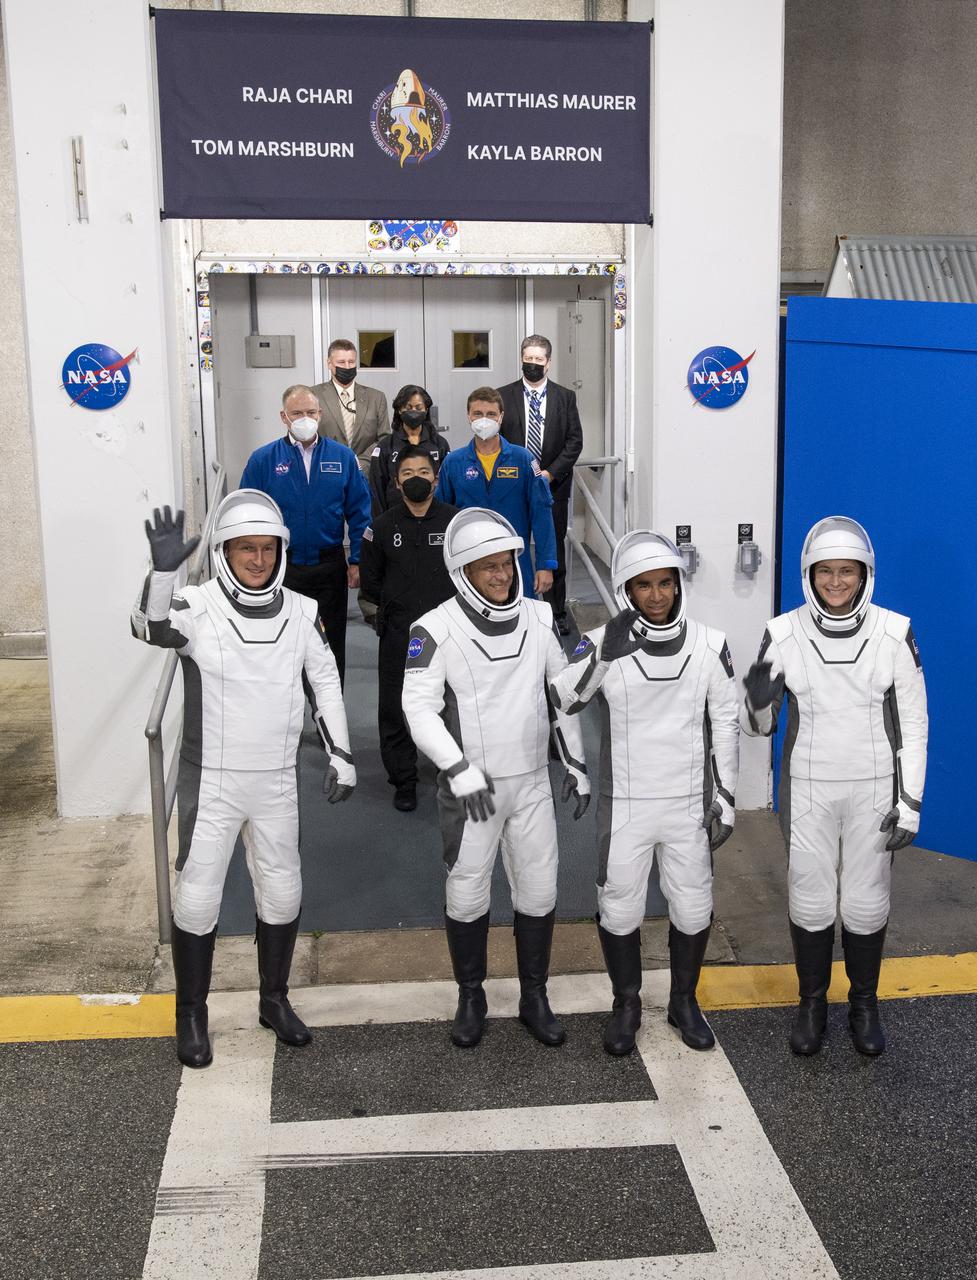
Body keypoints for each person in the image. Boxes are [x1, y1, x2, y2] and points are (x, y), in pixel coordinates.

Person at [131, 493, 355, 1069]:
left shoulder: (303, 611)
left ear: (281, 550)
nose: (257, 559)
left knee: (282, 891)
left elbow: (324, 680)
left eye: (267, 548)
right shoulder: (198, 605)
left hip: (277, 781)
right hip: (213, 783)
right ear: (224, 552)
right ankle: (190, 1013)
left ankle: (273, 1000)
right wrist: (161, 572)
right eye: (244, 548)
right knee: (198, 896)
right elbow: (148, 627)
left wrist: (342, 753)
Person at [401, 508, 590, 1050]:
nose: (502, 574)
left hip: (531, 782)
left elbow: (563, 698)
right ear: (462, 571)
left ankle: (535, 995)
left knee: (539, 890)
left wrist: (575, 765)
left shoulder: (539, 616)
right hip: (472, 792)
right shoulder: (432, 630)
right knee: (466, 894)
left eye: (506, 562)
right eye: (488, 566)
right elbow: (419, 711)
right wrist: (457, 769)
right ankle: (471, 995)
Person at [741, 516, 928, 1058]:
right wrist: (755, 698)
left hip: (875, 790)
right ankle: (812, 1005)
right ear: (809, 574)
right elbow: (758, 728)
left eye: (847, 572)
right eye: (826, 572)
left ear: (865, 573)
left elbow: (914, 725)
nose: (837, 583)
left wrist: (910, 803)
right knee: (811, 898)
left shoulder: (895, 632)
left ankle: (865, 1006)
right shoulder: (782, 633)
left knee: (867, 904)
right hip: (809, 790)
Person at [550, 531, 739, 1057]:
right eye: (642, 586)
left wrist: (725, 796)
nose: (656, 596)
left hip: (686, 804)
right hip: (626, 804)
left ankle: (684, 1001)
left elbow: (725, 721)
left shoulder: (711, 644)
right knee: (618, 908)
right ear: (624, 589)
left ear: (678, 585)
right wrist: (603, 656)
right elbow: (562, 699)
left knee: (695, 907)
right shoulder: (599, 639)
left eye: (665, 583)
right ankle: (626, 1004)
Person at [240, 383, 371, 686]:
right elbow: (248, 512)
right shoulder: (264, 460)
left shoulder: (342, 457)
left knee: (331, 642)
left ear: (320, 414)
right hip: (282, 567)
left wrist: (358, 561)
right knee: (283, 644)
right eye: (296, 413)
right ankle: (288, 720)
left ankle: (330, 716)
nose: (304, 418)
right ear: (283, 417)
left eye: (310, 412)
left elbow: (360, 511)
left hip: (329, 566)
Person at [359, 444, 458, 812]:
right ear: (397, 484)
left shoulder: (455, 523)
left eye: (422, 474)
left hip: (449, 635)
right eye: (407, 475)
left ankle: (450, 769)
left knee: (450, 704)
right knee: (396, 707)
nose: (416, 480)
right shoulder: (381, 528)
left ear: (435, 478)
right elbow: (370, 585)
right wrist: (381, 620)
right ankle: (404, 779)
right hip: (400, 635)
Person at [435, 386, 557, 601]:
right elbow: (441, 517)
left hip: (516, 559)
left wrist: (546, 564)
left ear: (501, 417)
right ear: (468, 416)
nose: (484, 420)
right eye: (478, 414)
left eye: (491, 414)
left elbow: (542, 513)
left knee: (521, 616)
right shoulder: (453, 462)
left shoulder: (523, 459)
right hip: (469, 560)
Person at [499, 335, 584, 636]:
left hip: (552, 488)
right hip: (512, 487)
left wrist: (550, 473)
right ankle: (513, 605)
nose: (532, 365)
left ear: (548, 362)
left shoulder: (565, 397)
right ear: (521, 358)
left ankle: (555, 611)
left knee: (552, 550)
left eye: (538, 360)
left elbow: (575, 442)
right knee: (510, 547)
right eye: (528, 358)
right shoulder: (503, 397)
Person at [369, 383, 450, 518]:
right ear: (400, 410)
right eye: (408, 407)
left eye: (418, 408)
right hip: (394, 515)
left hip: (433, 515)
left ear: (426, 410)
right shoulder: (385, 446)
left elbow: (446, 484)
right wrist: (380, 522)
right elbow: (376, 489)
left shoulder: (440, 444)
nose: (414, 411)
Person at [312, 337, 391, 475]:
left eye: (351, 362)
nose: (347, 367)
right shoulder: (313, 395)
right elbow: (309, 437)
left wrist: (361, 463)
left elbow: (384, 438)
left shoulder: (376, 397)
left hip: (366, 473)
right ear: (329, 364)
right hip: (326, 471)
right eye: (341, 362)